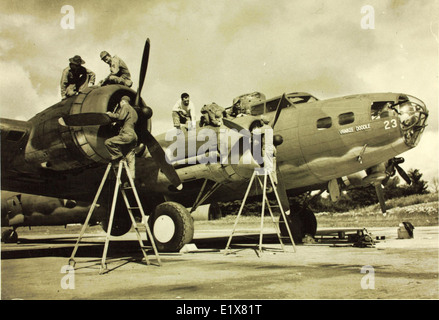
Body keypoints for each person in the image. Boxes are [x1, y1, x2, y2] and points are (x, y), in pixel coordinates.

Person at [104, 96, 138, 179]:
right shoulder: (134, 111)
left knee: (108, 142)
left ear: (122, 102)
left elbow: (120, 117)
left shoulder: (125, 106)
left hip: (126, 133)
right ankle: (130, 180)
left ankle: (118, 158)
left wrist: (109, 114)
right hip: (133, 136)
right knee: (130, 159)